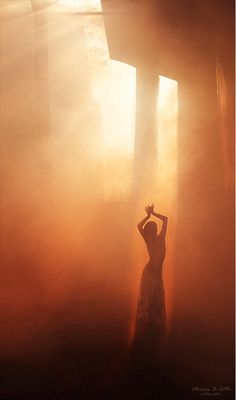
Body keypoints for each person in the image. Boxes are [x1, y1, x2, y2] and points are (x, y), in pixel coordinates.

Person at [132, 204, 168, 366]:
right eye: (150, 230)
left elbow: (166, 219)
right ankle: (146, 330)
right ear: (148, 232)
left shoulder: (161, 238)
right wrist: (147, 217)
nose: (152, 231)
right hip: (148, 274)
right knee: (148, 301)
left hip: (156, 275)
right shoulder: (148, 240)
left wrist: (153, 213)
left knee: (156, 300)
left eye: (154, 229)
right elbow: (139, 226)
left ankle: (153, 329)